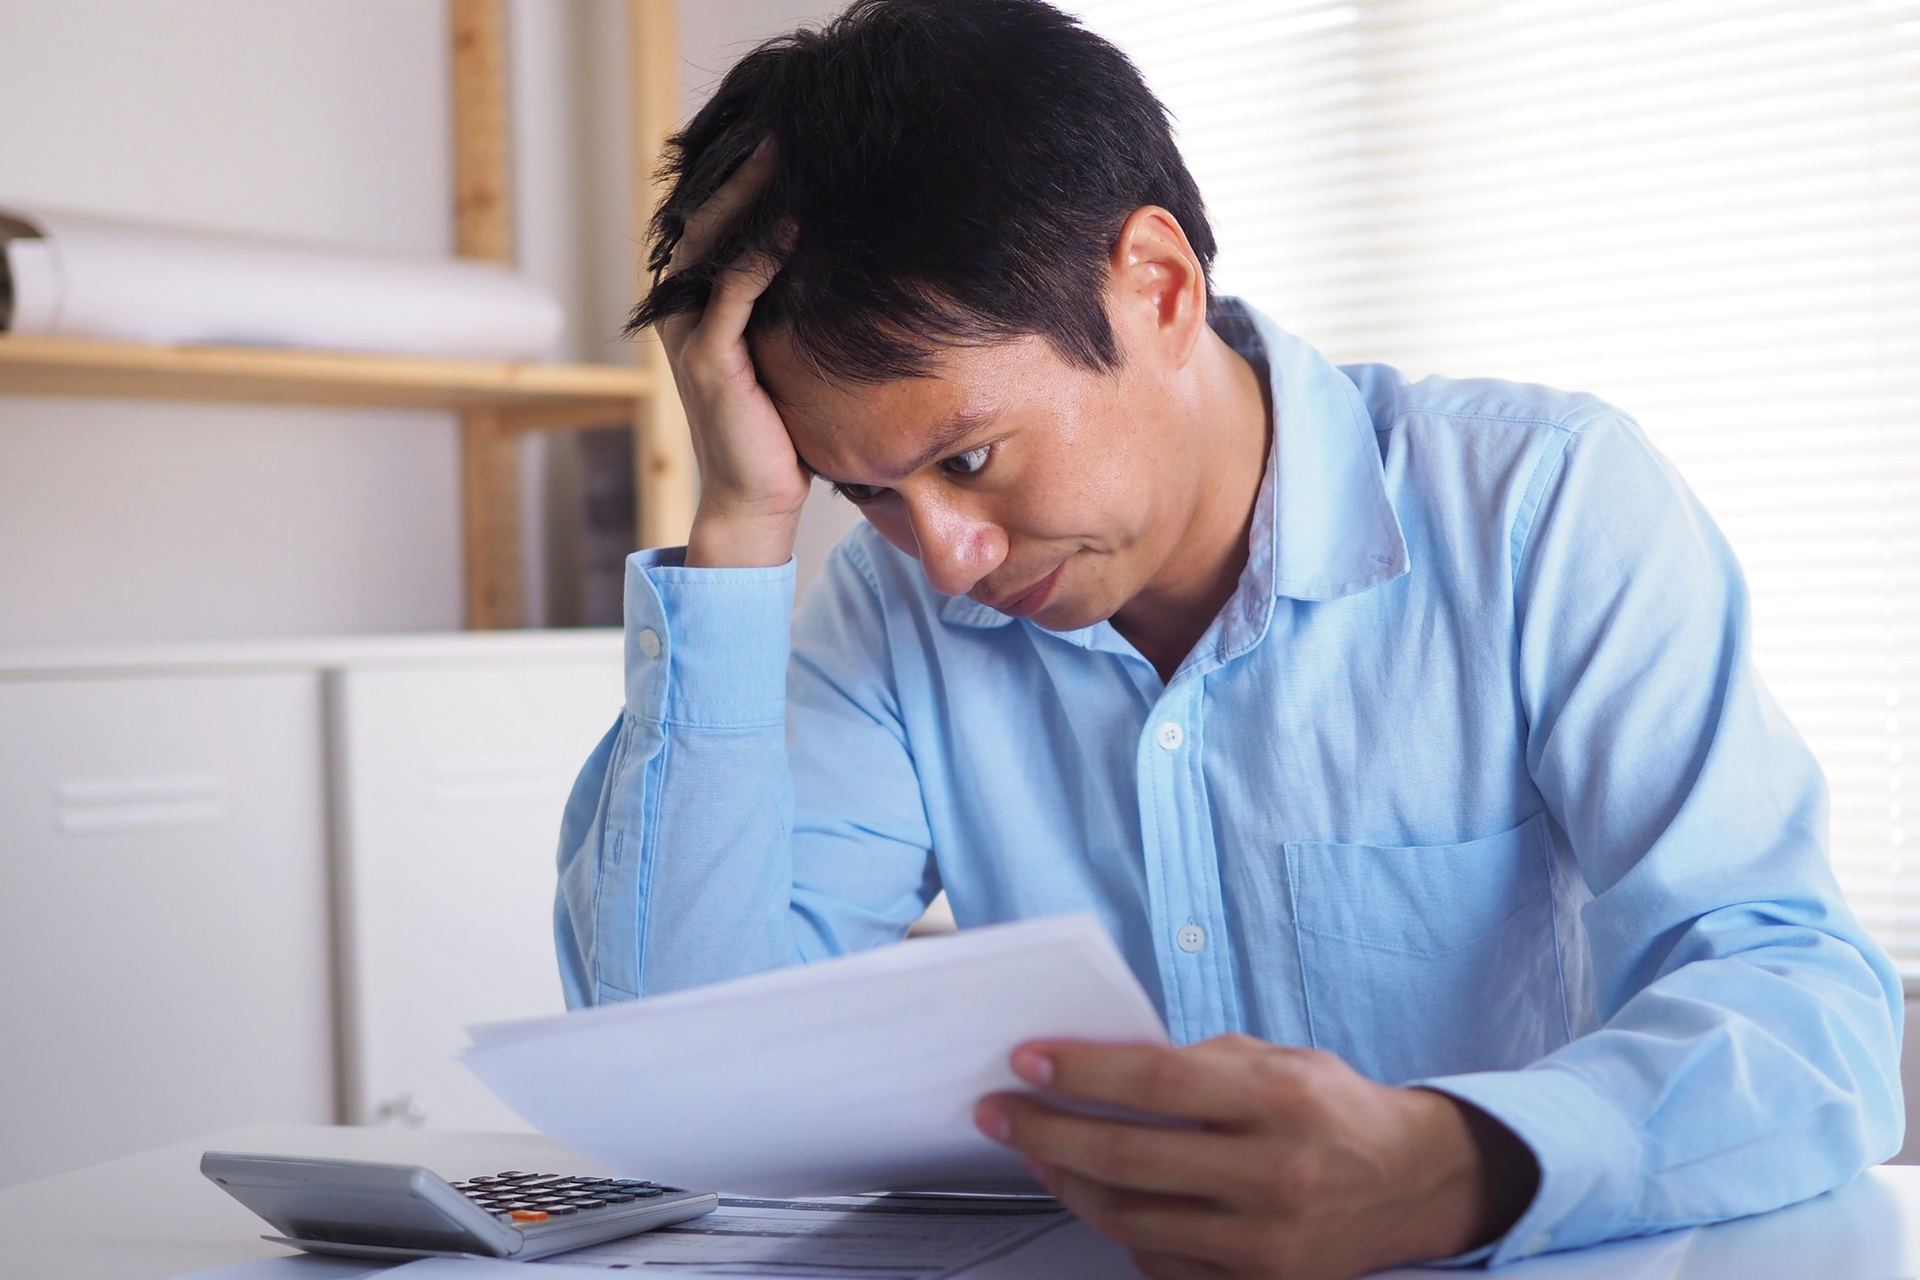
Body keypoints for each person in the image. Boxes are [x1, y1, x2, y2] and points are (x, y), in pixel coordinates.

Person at [552, 1, 1903, 1275]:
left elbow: (1808, 1016)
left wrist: (1447, 1166)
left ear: (1156, 285)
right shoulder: (894, 606)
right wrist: (739, 523)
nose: (947, 557)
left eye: (967, 458)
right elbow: (678, 1074)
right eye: (864, 494)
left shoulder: (1540, 507)